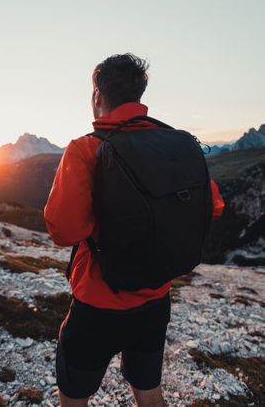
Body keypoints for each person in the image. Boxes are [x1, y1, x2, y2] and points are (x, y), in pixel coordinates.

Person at [44, 53, 225, 407]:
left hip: (97, 304)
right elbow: (214, 206)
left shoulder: (86, 148)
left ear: (97, 95)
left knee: (74, 398)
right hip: (155, 301)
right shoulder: (175, 144)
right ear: (140, 94)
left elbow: (64, 229)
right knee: (149, 393)